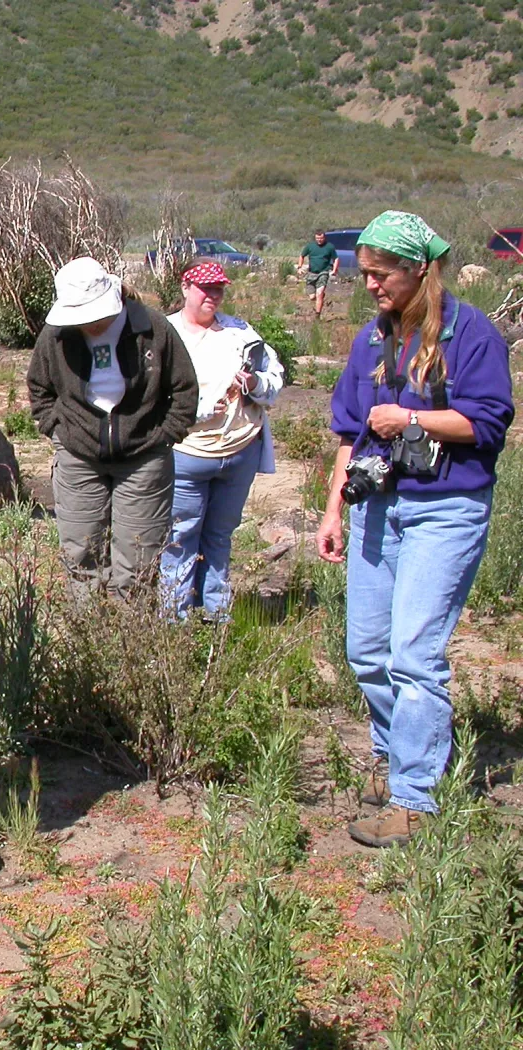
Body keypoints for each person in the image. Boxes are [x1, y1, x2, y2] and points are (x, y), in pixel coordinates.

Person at [316, 210, 514, 847]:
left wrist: (415, 419)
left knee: (414, 655)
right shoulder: (372, 339)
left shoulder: (469, 332)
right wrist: (333, 508)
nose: (370, 284)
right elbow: (350, 430)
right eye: (364, 273)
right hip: (379, 505)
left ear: (418, 269)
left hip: (445, 510)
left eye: (381, 274)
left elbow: (488, 423)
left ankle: (415, 799)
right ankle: (393, 753)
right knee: (367, 651)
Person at [27, 256, 198, 595]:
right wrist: (58, 432)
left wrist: (164, 436)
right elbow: (39, 388)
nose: (88, 324)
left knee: (138, 565)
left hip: (144, 459)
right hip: (78, 457)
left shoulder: (152, 327)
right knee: (80, 558)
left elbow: (184, 388)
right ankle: (88, 640)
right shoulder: (56, 335)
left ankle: (128, 644)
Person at [160, 260, 285, 621]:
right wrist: (197, 409)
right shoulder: (166, 334)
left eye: (219, 289)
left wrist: (256, 384)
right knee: (180, 538)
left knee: (220, 535)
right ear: (185, 287)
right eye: (205, 288)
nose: (213, 296)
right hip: (186, 453)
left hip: (239, 451)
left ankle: (216, 615)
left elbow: (273, 379)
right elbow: (149, 395)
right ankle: (174, 621)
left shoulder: (241, 332)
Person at [300, 229, 340, 320]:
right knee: (312, 297)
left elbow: (336, 259)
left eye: (321, 238)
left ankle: (317, 316)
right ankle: (320, 297)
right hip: (311, 273)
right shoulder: (310, 246)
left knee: (319, 293)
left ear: (324, 237)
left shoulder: (329, 247)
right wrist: (299, 267)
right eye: (318, 238)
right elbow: (302, 255)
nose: (319, 240)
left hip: (323, 272)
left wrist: (334, 270)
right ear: (315, 237)